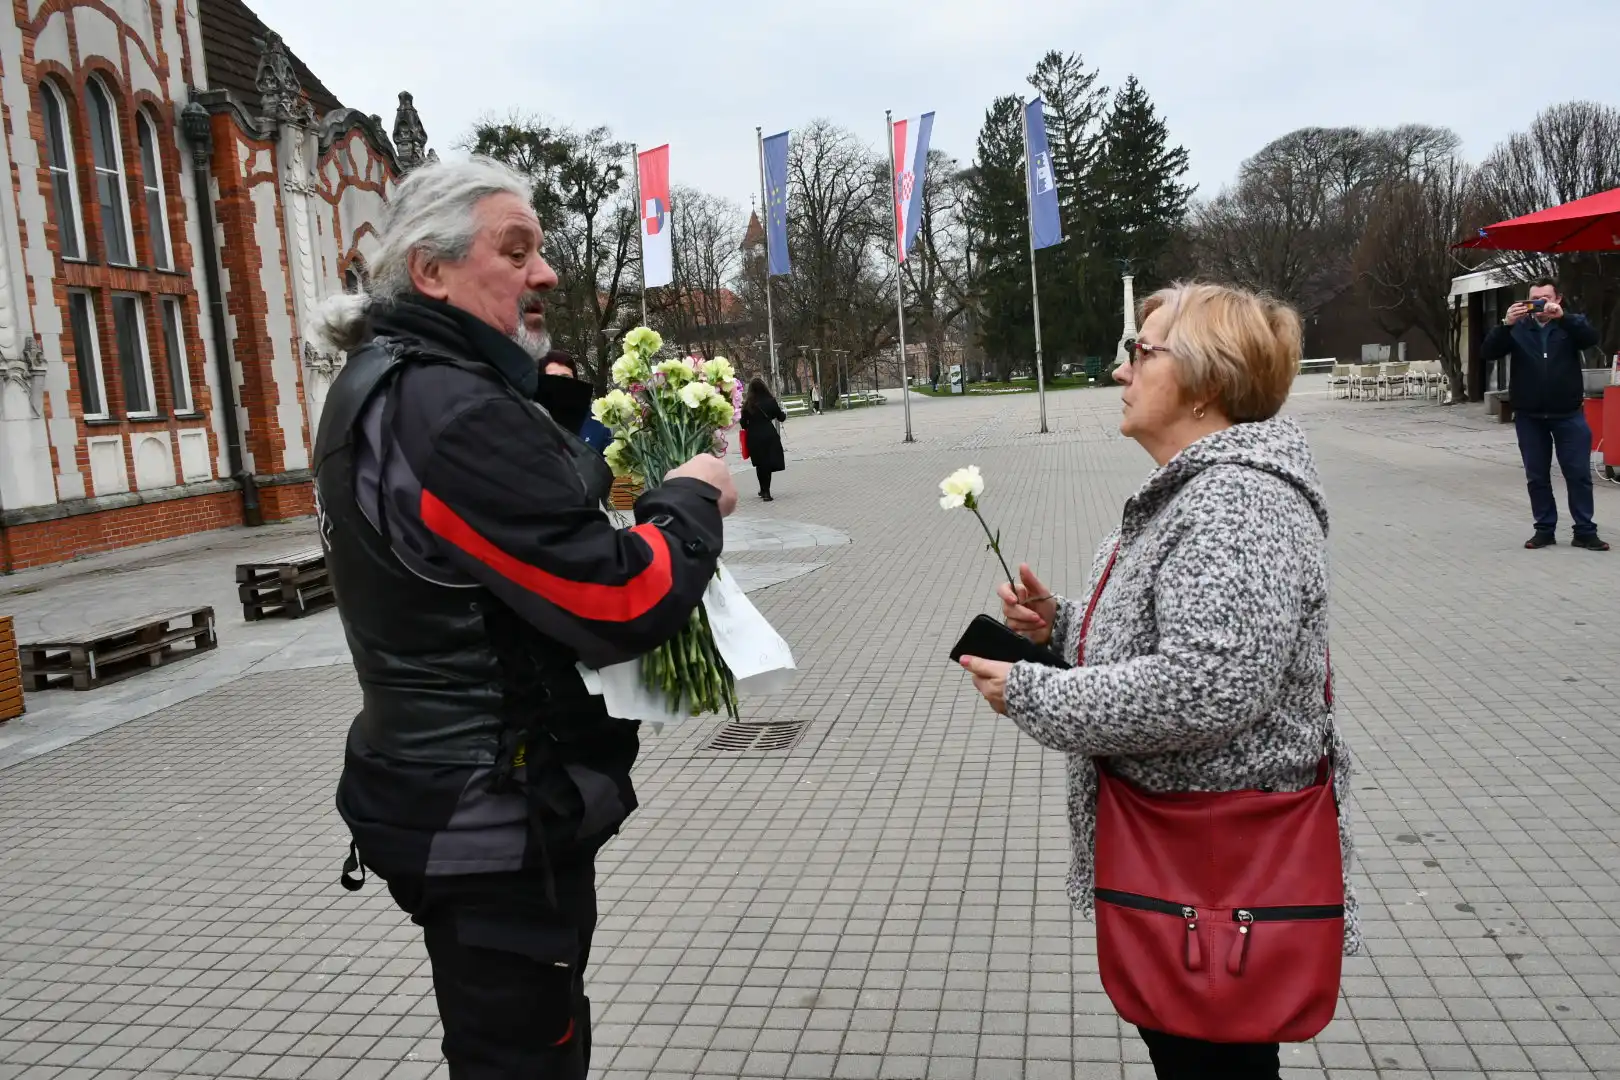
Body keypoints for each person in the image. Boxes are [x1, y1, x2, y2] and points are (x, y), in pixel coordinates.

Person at [309, 156, 738, 1080]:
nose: (544, 272)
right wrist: (687, 502)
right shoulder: (449, 407)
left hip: (439, 790)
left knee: (510, 1042)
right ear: (431, 270)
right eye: (517, 250)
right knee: (523, 1058)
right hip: (489, 814)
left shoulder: (386, 379)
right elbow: (620, 598)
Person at [958, 282, 1358, 1079]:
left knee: (1214, 1064)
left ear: (1207, 381)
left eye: (1141, 352)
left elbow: (1208, 686)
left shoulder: (1238, 501)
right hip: (1191, 857)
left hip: (1215, 865)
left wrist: (1034, 692)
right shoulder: (1201, 491)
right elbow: (1195, 646)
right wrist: (1064, 625)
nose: (1121, 371)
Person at [1480, 278, 1607, 551]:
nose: (1539, 305)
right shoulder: (1518, 329)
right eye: (1533, 299)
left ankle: (1585, 530)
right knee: (1537, 476)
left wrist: (1566, 319)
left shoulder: (1568, 325)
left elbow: (1591, 339)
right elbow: (1488, 352)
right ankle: (1544, 529)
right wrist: (1505, 324)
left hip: (1568, 414)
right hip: (1529, 415)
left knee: (1578, 474)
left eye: (1544, 298)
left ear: (1557, 299)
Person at [540, 349, 613, 454]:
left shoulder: (596, 423)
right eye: (553, 378)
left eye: (566, 378)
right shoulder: (531, 419)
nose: (560, 383)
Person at [740, 377, 787, 502]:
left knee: (760, 464)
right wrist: (783, 414)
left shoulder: (748, 404)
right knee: (767, 462)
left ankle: (763, 489)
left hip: (754, 437)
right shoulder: (770, 401)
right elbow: (780, 417)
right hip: (769, 434)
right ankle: (766, 492)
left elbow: (743, 424)